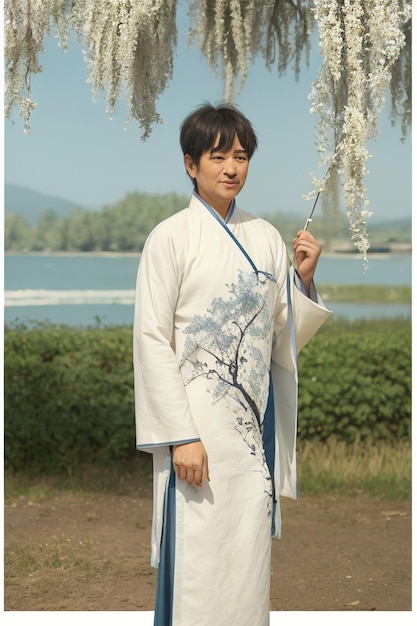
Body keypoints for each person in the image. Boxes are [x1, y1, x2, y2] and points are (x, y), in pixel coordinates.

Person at [133, 103, 331, 626]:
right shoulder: (169, 239)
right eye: (217, 156)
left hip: (250, 432)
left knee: (246, 566)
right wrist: (180, 435)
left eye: (240, 156)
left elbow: (281, 338)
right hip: (196, 432)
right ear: (189, 164)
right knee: (196, 564)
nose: (230, 168)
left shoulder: (266, 237)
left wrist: (304, 281)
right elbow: (152, 340)